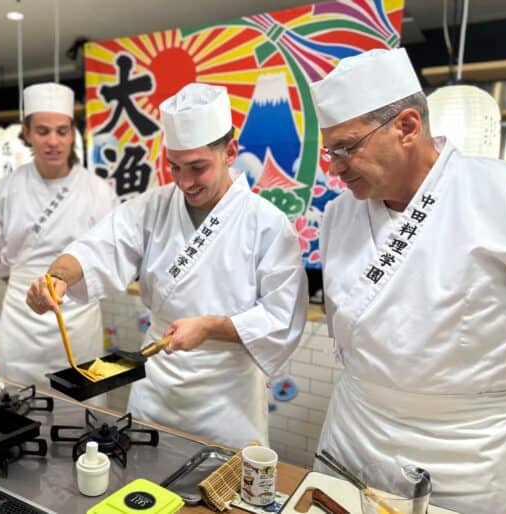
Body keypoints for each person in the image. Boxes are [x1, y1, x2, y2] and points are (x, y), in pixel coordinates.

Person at [26, 83, 308, 448]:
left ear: (230, 152)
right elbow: (97, 247)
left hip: (227, 393)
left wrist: (209, 326)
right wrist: (56, 278)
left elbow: (281, 315)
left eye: (197, 167)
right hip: (158, 380)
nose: (184, 182)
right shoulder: (154, 206)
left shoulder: (266, 223)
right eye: (174, 167)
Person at [309, 48, 506, 514]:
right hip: (355, 432)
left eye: (347, 147)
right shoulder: (339, 215)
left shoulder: (504, 195)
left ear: (407, 126)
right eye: (330, 152)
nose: (336, 166)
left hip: (465, 453)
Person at [0, 82, 117, 387]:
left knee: (80, 412)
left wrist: (67, 286)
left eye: (62, 131)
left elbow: (109, 257)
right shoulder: (5, 190)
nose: (53, 141)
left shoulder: (99, 191)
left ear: (73, 133)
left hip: (78, 316)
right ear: (26, 133)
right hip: (20, 321)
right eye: (42, 131)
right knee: (14, 405)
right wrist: (29, 283)